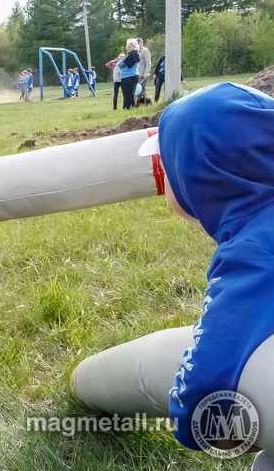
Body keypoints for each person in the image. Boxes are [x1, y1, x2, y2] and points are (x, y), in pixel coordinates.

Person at [72, 83, 274, 465]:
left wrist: (200, 427)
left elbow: (213, 367)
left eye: (167, 171)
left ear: (198, 180)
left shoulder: (255, 253)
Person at [117, 40, 140, 110]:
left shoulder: (132, 55)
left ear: (134, 46)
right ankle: (128, 107)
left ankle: (129, 107)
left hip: (129, 76)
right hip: (127, 76)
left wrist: (121, 61)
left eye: (129, 46)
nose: (127, 48)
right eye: (127, 46)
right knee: (127, 93)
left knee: (129, 93)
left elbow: (120, 64)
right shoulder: (132, 55)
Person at [136, 37, 151, 103]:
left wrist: (147, 72)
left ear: (141, 43)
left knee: (141, 89)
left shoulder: (145, 51)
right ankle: (137, 103)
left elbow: (148, 62)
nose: (138, 44)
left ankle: (143, 103)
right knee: (137, 90)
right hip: (136, 73)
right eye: (136, 43)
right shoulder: (136, 51)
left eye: (139, 42)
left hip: (142, 73)